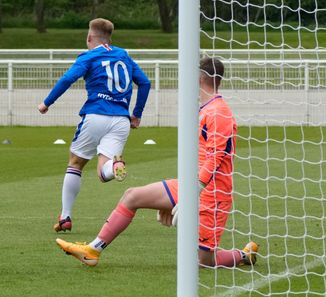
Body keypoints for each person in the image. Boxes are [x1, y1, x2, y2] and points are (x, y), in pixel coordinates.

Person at [56, 57, 259, 268]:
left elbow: (216, 157)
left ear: (199, 78)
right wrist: (174, 199)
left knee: (202, 262)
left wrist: (191, 196)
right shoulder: (205, 109)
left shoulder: (219, 112)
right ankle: (92, 250)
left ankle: (243, 256)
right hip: (191, 186)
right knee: (132, 196)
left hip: (212, 194)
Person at [38, 18, 151, 232]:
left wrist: (46, 103)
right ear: (110, 37)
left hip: (95, 115)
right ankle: (114, 167)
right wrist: (137, 115)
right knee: (103, 171)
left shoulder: (88, 56)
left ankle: (66, 217)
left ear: (89, 37)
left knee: (75, 163)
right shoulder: (123, 55)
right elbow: (145, 82)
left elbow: (67, 78)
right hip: (120, 120)